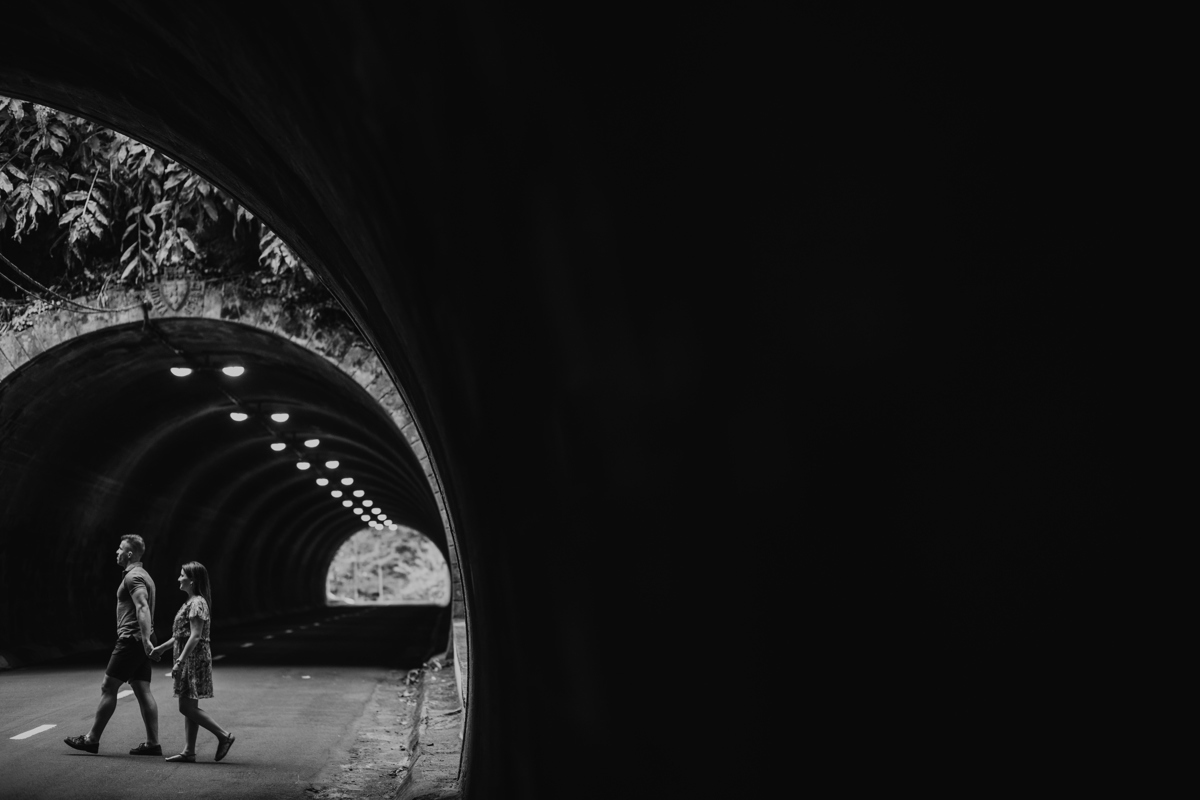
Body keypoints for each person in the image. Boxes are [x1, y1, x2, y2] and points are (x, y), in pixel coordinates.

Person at [64, 534, 163, 756]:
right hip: (141, 639)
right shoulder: (144, 575)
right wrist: (148, 639)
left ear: (129, 554)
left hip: (132, 639)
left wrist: (145, 640)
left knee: (108, 687)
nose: (116, 552)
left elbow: (142, 607)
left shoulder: (133, 578)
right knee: (142, 688)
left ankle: (91, 739)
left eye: (119, 549)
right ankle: (153, 743)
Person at [149, 561, 235, 762]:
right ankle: (189, 751)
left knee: (186, 707)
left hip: (194, 659)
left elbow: (195, 636)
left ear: (192, 580)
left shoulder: (197, 603)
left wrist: (179, 662)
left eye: (182, 575)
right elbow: (181, 635)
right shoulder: (191, 601)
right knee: (189, 705)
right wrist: (161, 648)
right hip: (190, 656)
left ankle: (224, 736)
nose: (178, 578)